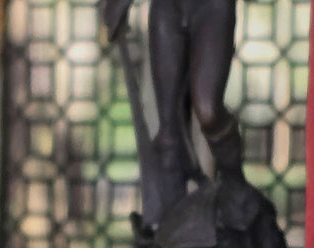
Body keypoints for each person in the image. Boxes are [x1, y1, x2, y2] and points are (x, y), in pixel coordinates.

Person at [103, 0, 243, 220]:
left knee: (208, 111)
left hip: (212, 8)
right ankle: (169, 221)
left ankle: (236, 182)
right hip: (168, 7)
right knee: (168, 134)